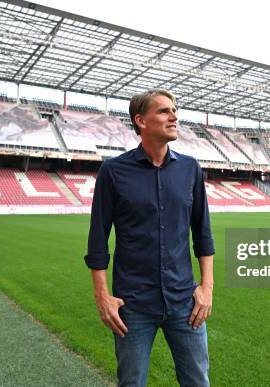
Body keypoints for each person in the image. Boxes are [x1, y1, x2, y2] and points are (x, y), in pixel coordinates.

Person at [85, 89, 215, 387]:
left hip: (185, 302)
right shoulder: (113, 171)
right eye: (164, 111)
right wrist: (102, 297)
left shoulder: (190, 168)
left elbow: (203, 235)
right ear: (141, 120)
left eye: (175, 110)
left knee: (197, 382)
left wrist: (206, 289)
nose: (174, 116)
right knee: (131, 383)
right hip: (133, 304)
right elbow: (97, 241)